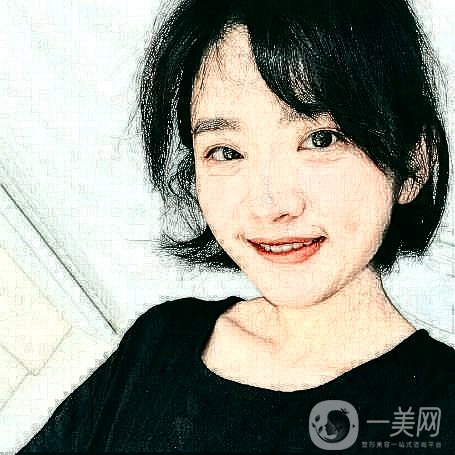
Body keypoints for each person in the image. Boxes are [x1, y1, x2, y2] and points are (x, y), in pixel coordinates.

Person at [19, 0, 454, 452]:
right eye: (226, 152)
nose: (269, 205)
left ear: (413, 163)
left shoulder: (437, 415)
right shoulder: (161, 340)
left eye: (320, 139)